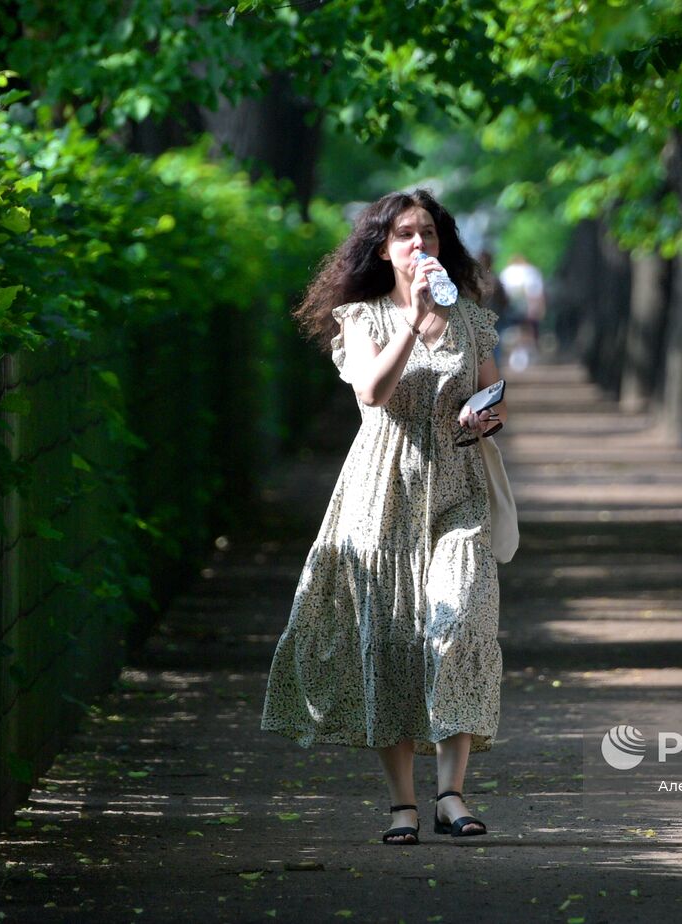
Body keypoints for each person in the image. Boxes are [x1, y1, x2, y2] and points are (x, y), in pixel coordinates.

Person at [262, 189, 506, 845]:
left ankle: (451, 795)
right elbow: (373, 391)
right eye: (404, 234)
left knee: (459, 625)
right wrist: (413, 319)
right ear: (383, 247)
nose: (419, 244)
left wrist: (484, 414)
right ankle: (403, 804)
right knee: (392, 644)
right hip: (382, 497)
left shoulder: (473, 320)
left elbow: (494, 392)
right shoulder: (362, 318)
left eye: (428, 232)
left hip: (459, 491)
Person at [497, 253, 547, 369]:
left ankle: (517, 355)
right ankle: (525, 354)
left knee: (514, 331)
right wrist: (538, 307)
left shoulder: (507, 271)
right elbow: (535, 292)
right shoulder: (530, 271)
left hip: (510, 307)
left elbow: (503, 292)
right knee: (527, 330)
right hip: (526, 306)